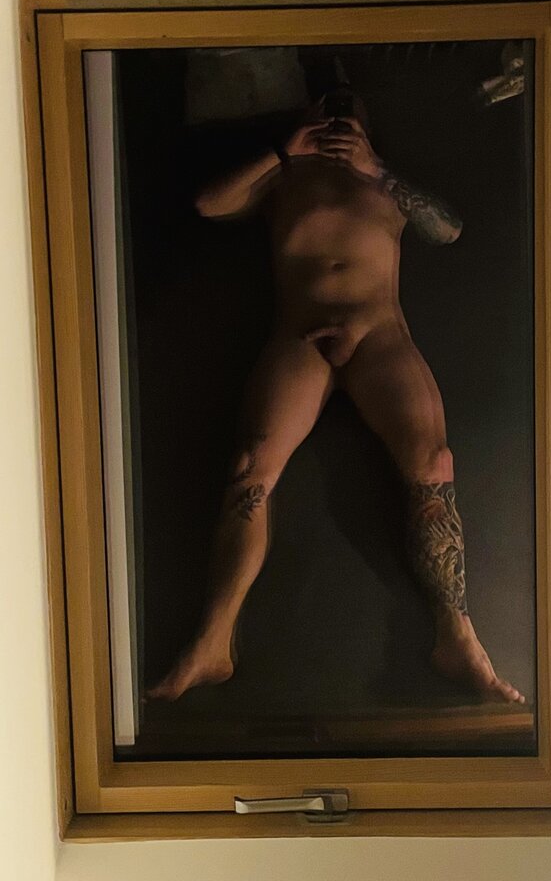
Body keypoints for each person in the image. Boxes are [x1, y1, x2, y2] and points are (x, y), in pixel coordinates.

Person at [148, 92, 525, 705]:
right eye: (324, 116)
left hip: (379, 334)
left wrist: (375, 167)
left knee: (433, 466)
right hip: (299, 334)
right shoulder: (281, 179)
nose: (333, 129)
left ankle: (459, 639)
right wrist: (283, 152)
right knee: (248, 473)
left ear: (366, 124)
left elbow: (448, 229)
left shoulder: (386, 183)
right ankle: (211, 645)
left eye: (345, 118)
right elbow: (207, 204)